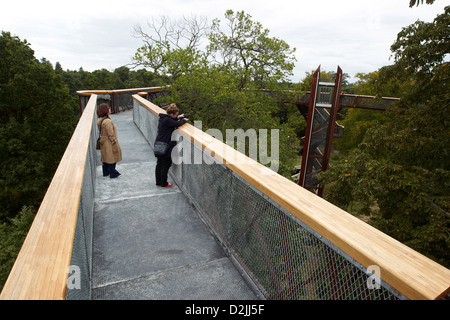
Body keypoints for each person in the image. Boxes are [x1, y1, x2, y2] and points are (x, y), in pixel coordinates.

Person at [155, 103, 188, 188]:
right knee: (166, 164)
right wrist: (184, 120)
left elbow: (172, 121)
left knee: (159, 163)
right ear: (172, 114)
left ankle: (158, 181)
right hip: (166, 145)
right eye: (176, 114)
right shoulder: (168, 120)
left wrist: (179, 117)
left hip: (159, 143)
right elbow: (177, 124)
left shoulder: (164, 118)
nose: (176, 116)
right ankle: (164, 183)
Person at [97, 103, 122, 178]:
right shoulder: (107, 121)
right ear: (105, 110)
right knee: (112, 157)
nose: (110, 109)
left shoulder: (101, 120)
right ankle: (113, 173)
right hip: (109, 142)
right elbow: (110, 133)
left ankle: (106, 172)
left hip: (103, 141)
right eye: (108, 108)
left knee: (105, 158)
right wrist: (114, 141)